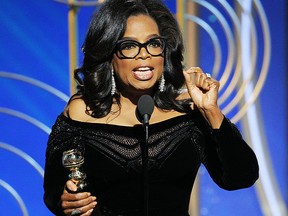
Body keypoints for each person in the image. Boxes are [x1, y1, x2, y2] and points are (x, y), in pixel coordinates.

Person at [43, 0, 259, 215]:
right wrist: (66, 201)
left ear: (164, 53)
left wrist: (211, 111)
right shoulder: (83, 112)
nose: (144, 54)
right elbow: (54, 190)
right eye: (128, 45)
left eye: (153, 43)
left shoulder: (188, 113)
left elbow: (241, 177)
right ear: (108, 55)